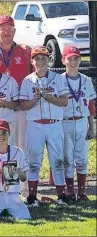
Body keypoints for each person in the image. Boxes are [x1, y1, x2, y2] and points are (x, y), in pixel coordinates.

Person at [19, 46, 69, 206]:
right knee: (33, 161)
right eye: (37, 58)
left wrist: (49, 98)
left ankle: (62, 196)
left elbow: (64, 101)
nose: (40, 61)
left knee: (58, 160)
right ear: (32, 61)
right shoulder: (27, 80)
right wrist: (35, 100)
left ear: (48, 60)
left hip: (54, 124)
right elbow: (24, 105)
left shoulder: (58, 78)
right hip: (35, 125)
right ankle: (32, 197)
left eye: (43, 58)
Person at [0, 15, 33, 198]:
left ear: (14, 30)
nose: (6, 32)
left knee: (17, 148)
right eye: (3, 28)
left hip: (19, 107)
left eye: (10, 28)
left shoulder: (24, 51)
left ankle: (18, 190)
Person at [61, 45, 96, 201]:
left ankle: (82, 193)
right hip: (65, 122)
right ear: (63, 60)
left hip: (82, 121)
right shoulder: (59, 80)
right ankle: (69, 192)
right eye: (70, 59)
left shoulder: (86, 80)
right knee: (67, 158)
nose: (73, 62)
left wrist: (92, 127)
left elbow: (90, 104)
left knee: (81, 158)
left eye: (76, 58)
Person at [0, 119, 31, 221]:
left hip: (13, 194)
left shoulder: (18, 152)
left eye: (4, 133)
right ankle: (3, 209)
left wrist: (18, 170)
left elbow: (23, 178)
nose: (0, 136)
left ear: (9, 134)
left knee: (25, 218)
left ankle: (7, 208)